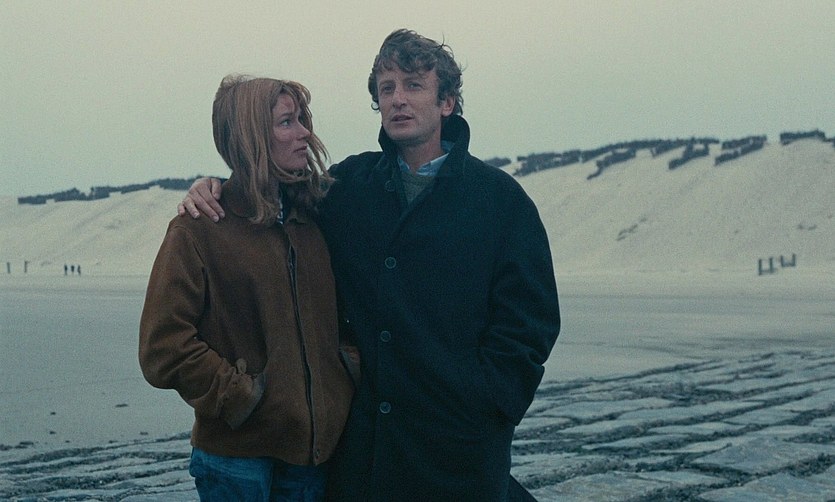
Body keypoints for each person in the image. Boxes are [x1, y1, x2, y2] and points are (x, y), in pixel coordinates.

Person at [180, 29, 560, 501]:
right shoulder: (347, 187)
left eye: (414, 85)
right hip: (363, 454)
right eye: (387, 88)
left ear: (446, 102)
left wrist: (487, 403)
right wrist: (217, 187)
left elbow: (530, 324)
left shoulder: (500, 201)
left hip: (459, 450)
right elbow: (269, 199)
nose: (398, 99)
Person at [140, 75, 358, 501]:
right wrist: (240, 396)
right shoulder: (199, 228)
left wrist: (345, 372)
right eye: (286, 122)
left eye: (302, 119)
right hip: (236, 463)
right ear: (250, 136)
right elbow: (163, 347)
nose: (304, 133)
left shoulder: (316, 217)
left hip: (313, 459)